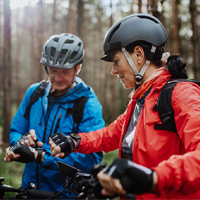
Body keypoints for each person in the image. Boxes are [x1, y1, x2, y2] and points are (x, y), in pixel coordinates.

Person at [49, 14, 200, 199]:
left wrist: (153, 178)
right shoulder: (140, 102)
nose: (113, 70)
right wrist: (74, 141)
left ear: (138, 54)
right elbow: (108, 136)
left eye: (116, 61)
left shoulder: (182, 94)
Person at [4, 33, 105, 198]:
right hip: (29, 190)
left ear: (77, 68)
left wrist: (41, 156)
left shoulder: (87, 104)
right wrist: (20, 144)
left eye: (65, 71)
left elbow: (91, 159)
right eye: (53, 70)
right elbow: (16, 129)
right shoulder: (34, 93)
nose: (58, 78)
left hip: (65, 194)